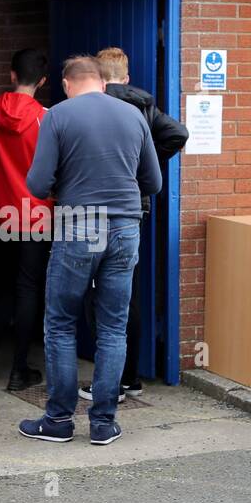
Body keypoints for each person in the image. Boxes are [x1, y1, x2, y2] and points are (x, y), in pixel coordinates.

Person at [19, 56, 161, 446]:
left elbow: (36, 182)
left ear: (67, 84)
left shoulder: (58, 116)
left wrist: (61, 184)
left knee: (61, 323)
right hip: (125, 229)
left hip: (79, 225)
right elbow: (152, 181)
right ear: (102, 81)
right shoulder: (133, 115)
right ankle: (103, 423)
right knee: (113, 326)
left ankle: (59, 421)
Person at [75, 46, 188, 403]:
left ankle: (112, 381)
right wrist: (143, 166)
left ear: (96, 76)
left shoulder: (92, 106)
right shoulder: (143, 106)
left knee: (96, 296)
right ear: (125, 77)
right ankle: (130, 377)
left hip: (97, 212)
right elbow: (178, 134)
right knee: (126, 294)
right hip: (132, 212)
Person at [0, 48, 52, 392]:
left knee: (1, 287)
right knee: (28, 290)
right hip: (35, 217)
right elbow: (53, 171)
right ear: (44, 81)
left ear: (10, 75)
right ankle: (20, 369)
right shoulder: (46, 118)